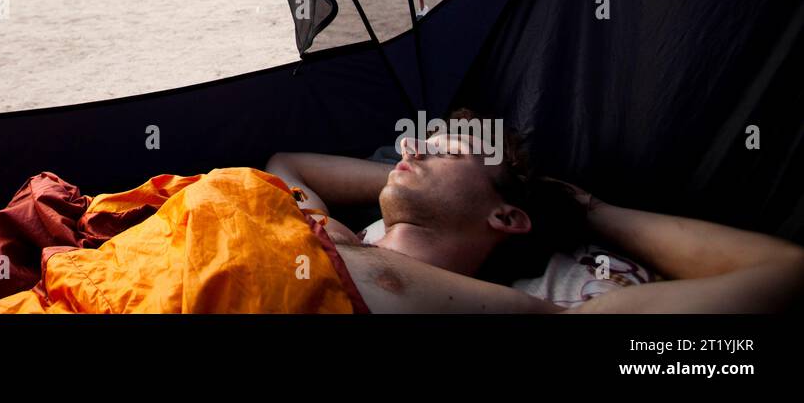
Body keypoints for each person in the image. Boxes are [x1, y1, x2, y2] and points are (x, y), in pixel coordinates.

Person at [266, 117, 804, 313]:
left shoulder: (535, 311)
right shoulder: (325, 229)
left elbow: (785, 269)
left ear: (507, 217)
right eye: (418, 142)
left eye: (449, 148)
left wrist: (588, 210)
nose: (410, 146)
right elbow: (284, 163)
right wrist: (409, 171)